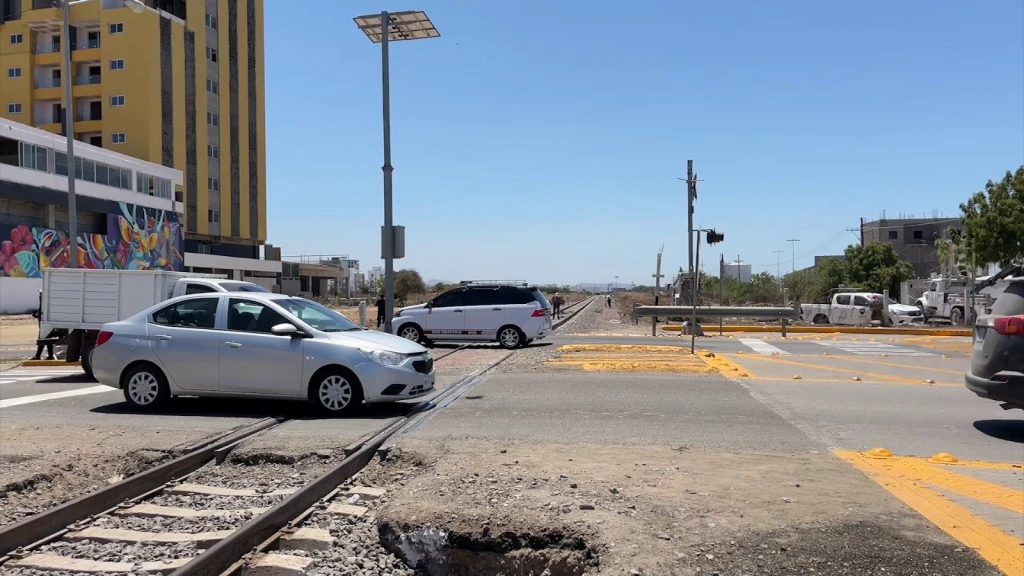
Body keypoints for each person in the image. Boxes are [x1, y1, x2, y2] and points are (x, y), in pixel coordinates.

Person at [30, 289, 55, 361]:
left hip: (45, 325)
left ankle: (38, 356)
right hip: (45, 325)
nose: (39, 296)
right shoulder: (44, 303)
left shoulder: (44, 303)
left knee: (42, 340)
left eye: (40, 294)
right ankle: (50, 356)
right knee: (48, 341)